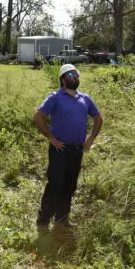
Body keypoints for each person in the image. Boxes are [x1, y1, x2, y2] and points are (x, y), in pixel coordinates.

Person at [33, 63, 103, 231]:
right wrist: (51, 137)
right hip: (60, 149)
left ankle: (62, 219)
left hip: (77, 149)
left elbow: (98, 118)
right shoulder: (55, 97)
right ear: (63, 79)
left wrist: (90, 139)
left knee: (70, 184)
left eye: (76, 75)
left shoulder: (85, 98)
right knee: (55, 183)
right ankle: (43, 221)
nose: (75, 77)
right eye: (71, 75)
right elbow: (38, 116)